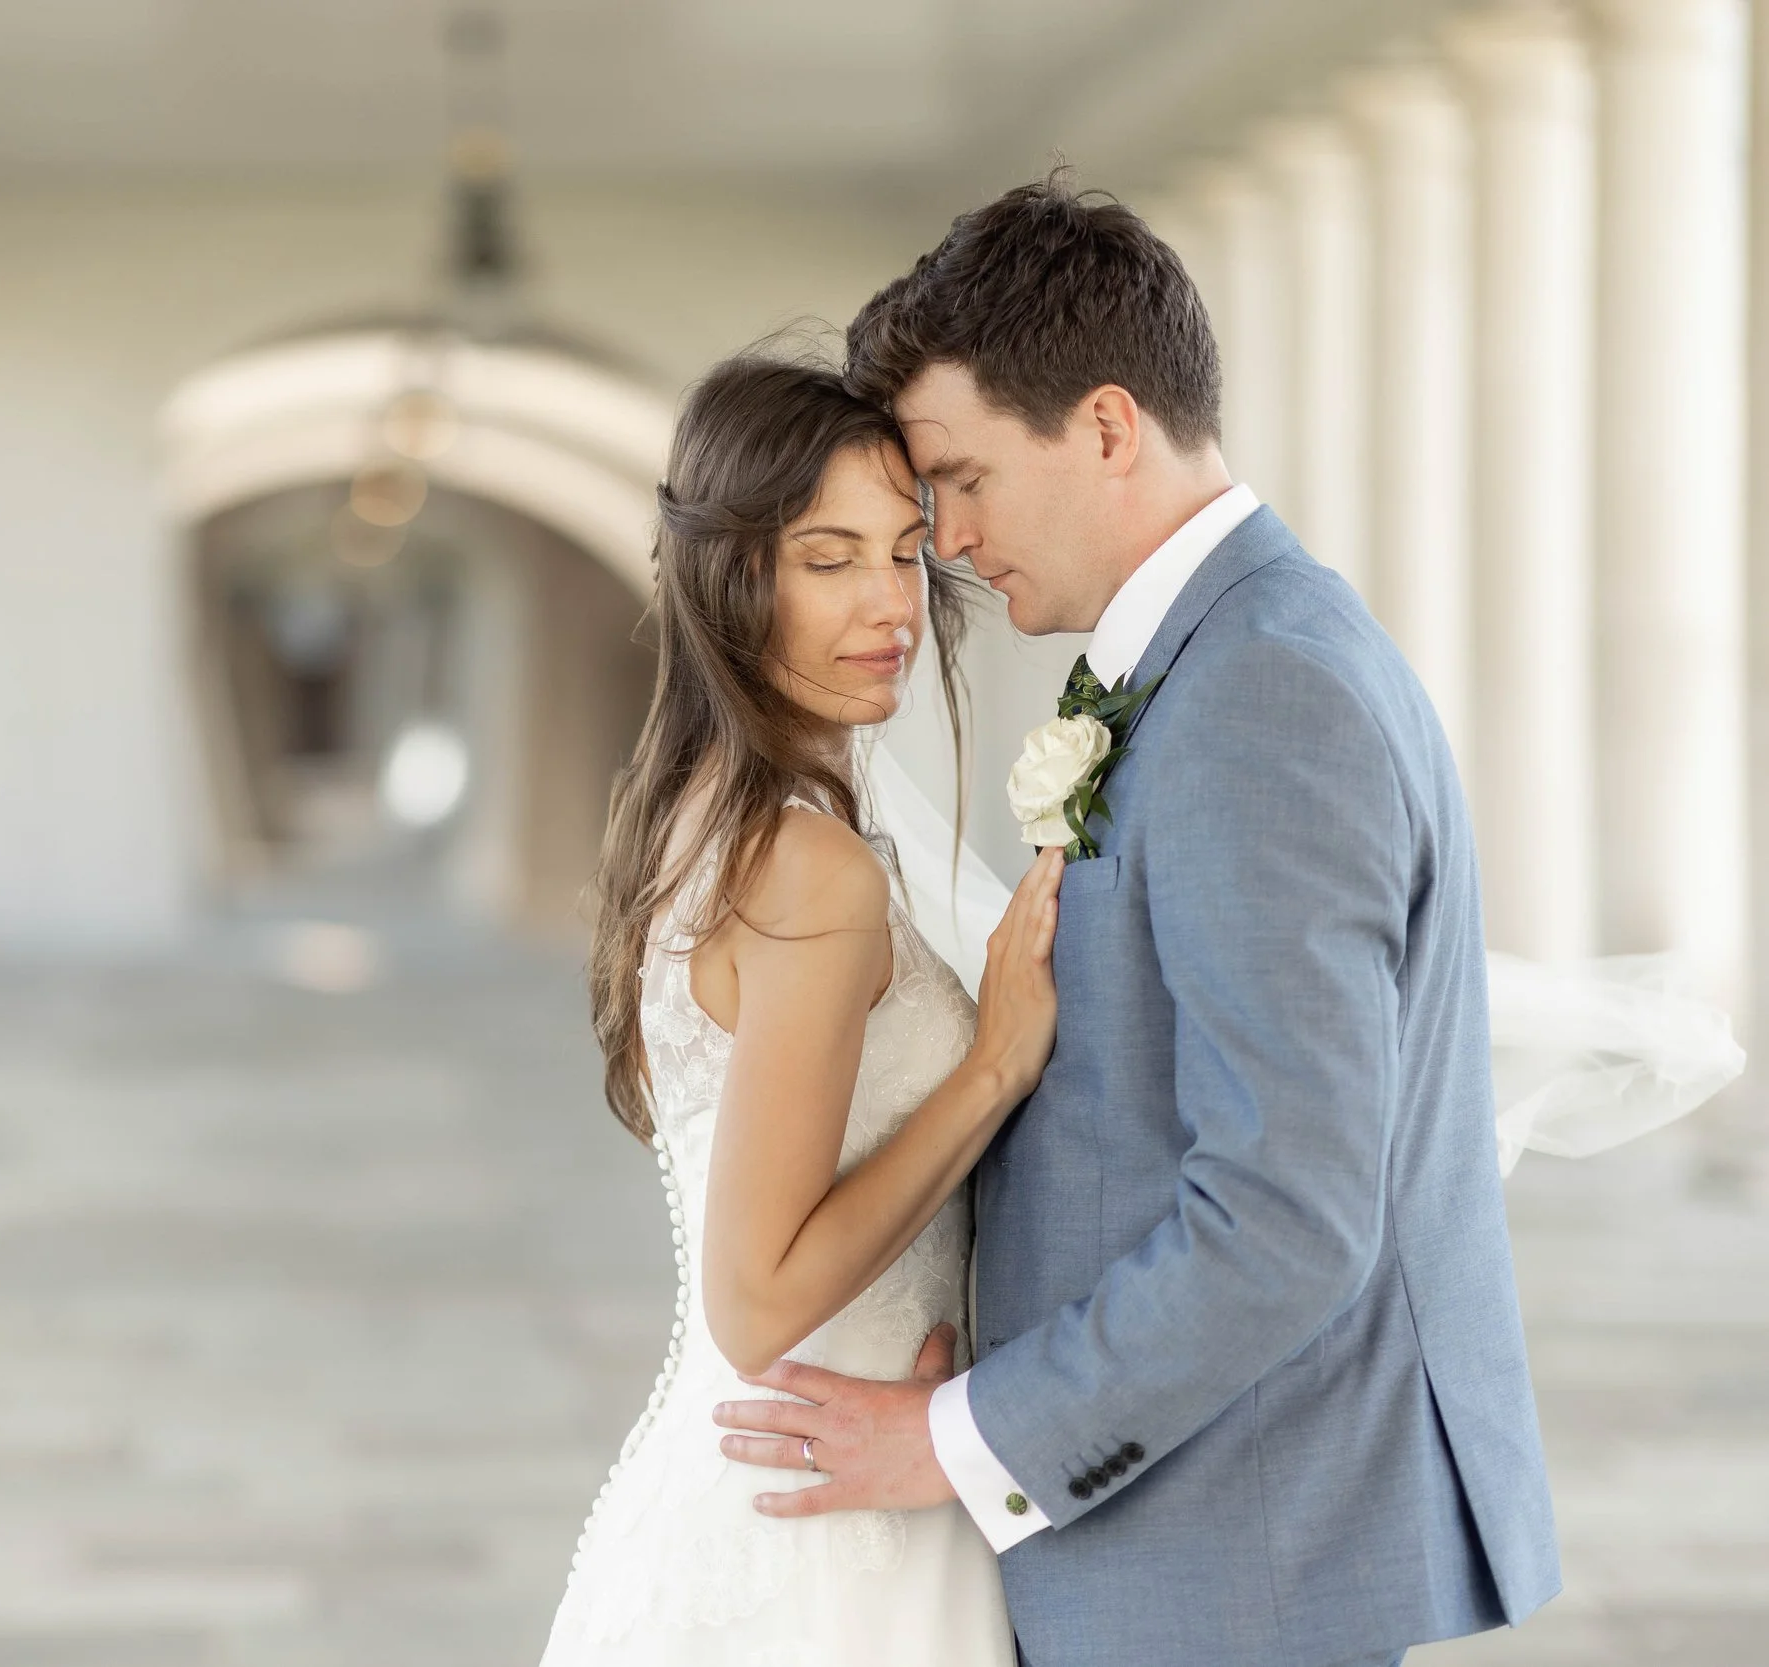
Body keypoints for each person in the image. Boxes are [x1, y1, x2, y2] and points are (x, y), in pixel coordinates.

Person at [713, 174, 1562, 1667]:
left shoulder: (1260, 693)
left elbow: (1288, 1216)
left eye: (960, 479)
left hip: (1233, 1558)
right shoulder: (1210, 660)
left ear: (1106, 427)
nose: (950, 541)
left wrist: (960, 1436)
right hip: (1187, 1539)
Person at [538, 352, 1060, 1665]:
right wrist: (991, 1066)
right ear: (735, 576)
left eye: (903, 553)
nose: (890, 604)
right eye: (830, 559)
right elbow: (758, 1298)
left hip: (773, 1485)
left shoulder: (710, 817)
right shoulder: (809, 866)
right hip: (824, 1538)